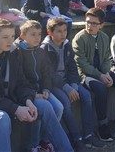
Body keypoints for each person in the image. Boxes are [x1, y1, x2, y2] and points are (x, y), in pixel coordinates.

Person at [0, 18, 73, 152]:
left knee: (44, 106)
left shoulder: (12, 51)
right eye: (5, 37)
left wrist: (28, 99)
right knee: (2, 118)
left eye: (13, 36)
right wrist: (15, 109)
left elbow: (21, 82)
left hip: (7, 98)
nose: (10, 41)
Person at [72, 8, 115, 141]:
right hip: (85, 75)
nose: (90, 26)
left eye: (94, 23)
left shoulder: (104, 37)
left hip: (102, 71)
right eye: (88, 22)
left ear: (101, 25)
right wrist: (100, 75)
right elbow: (82, 64)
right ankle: (102, 125)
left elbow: (106, 58)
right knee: (101, 89)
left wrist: (107, 73)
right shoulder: (79, 38)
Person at [42, 17, 104, 150]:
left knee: (86, 96)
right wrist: (67, 88)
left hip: (69, 82)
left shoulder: (66, 44)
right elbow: (49, 74)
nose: (63, 34)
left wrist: (74, 84)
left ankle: (88, 135)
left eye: (64, 30)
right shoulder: (45, 48)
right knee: (65, 103)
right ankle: (77, 138)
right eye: (59, 31)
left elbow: (72, 67)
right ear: (50, 32)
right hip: (55, 85)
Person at [15, 20, 73, 151]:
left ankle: (44, 141)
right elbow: (20, 79)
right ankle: (33, 145)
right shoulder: (17, 52)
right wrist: (35, 94)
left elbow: (47, 73)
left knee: (58, 107)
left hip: (41, 90)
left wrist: (46, 89)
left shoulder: (40, 51)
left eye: (39, 34)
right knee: (43, 109)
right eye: (33, 34)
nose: (37, 38)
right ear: (22, 36)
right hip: (28, 93)